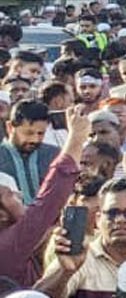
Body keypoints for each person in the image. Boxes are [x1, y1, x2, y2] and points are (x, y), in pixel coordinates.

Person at [0, 108, 87, 288]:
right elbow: (48, 202)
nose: (20, 195)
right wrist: (76, 138)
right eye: (12, 195)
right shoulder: (8, 244)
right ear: (1, 215)